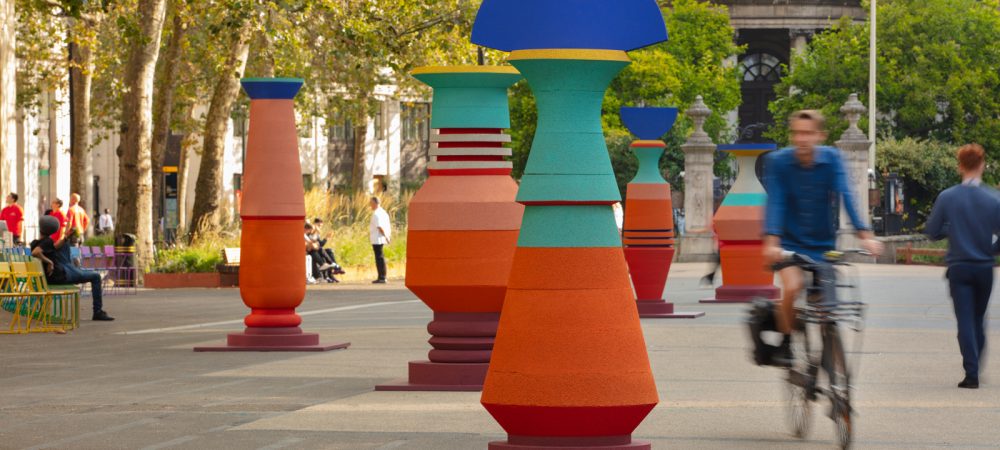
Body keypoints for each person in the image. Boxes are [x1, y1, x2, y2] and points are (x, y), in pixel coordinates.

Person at [762, 110, 883, 364]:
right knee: (793, 287)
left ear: (820, 135)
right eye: (797, 133)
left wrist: (865, 234)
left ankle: (836, 376)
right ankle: (786, 341)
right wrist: (771, 241)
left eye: (808, 133)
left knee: (827, 309)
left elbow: (846, 194)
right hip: (789, 244)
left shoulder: (832, 159)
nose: (801, 139)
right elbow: (776, 202)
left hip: (822, 246)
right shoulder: (779, 162)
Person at [925, 143, 1000, 389]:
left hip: (959, 266)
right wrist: (991, 249)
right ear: (982, 165)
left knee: (965, 319)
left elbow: (932, 231)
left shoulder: (947, 197)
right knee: (978, 317)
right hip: (984, 266)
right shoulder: (994, 198)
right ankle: (976, 360)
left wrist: (952, 229)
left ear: (960, 166)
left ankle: (971, 372)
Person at [31, 216, 113, 321]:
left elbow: (52, 248)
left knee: (64, 244)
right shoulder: (47, 241)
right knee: (96, 277)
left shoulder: (35, 243)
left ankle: (75, 268)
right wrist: (49, 262)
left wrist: (65, 238)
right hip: (60, 276)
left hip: (51, 275)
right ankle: (98, 312)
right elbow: (36, 252)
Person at [369, 196, 391, 284]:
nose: (370, 205)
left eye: (371, 203)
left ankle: (382, 277)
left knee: (379, 258)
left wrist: (385, 236)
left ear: (375, 203)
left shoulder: (376, 214)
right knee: (380, 257)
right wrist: (387, 236)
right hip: (380, 237)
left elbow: (380, 226)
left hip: (377, 238)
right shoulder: (383, 212)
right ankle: (382, 276)